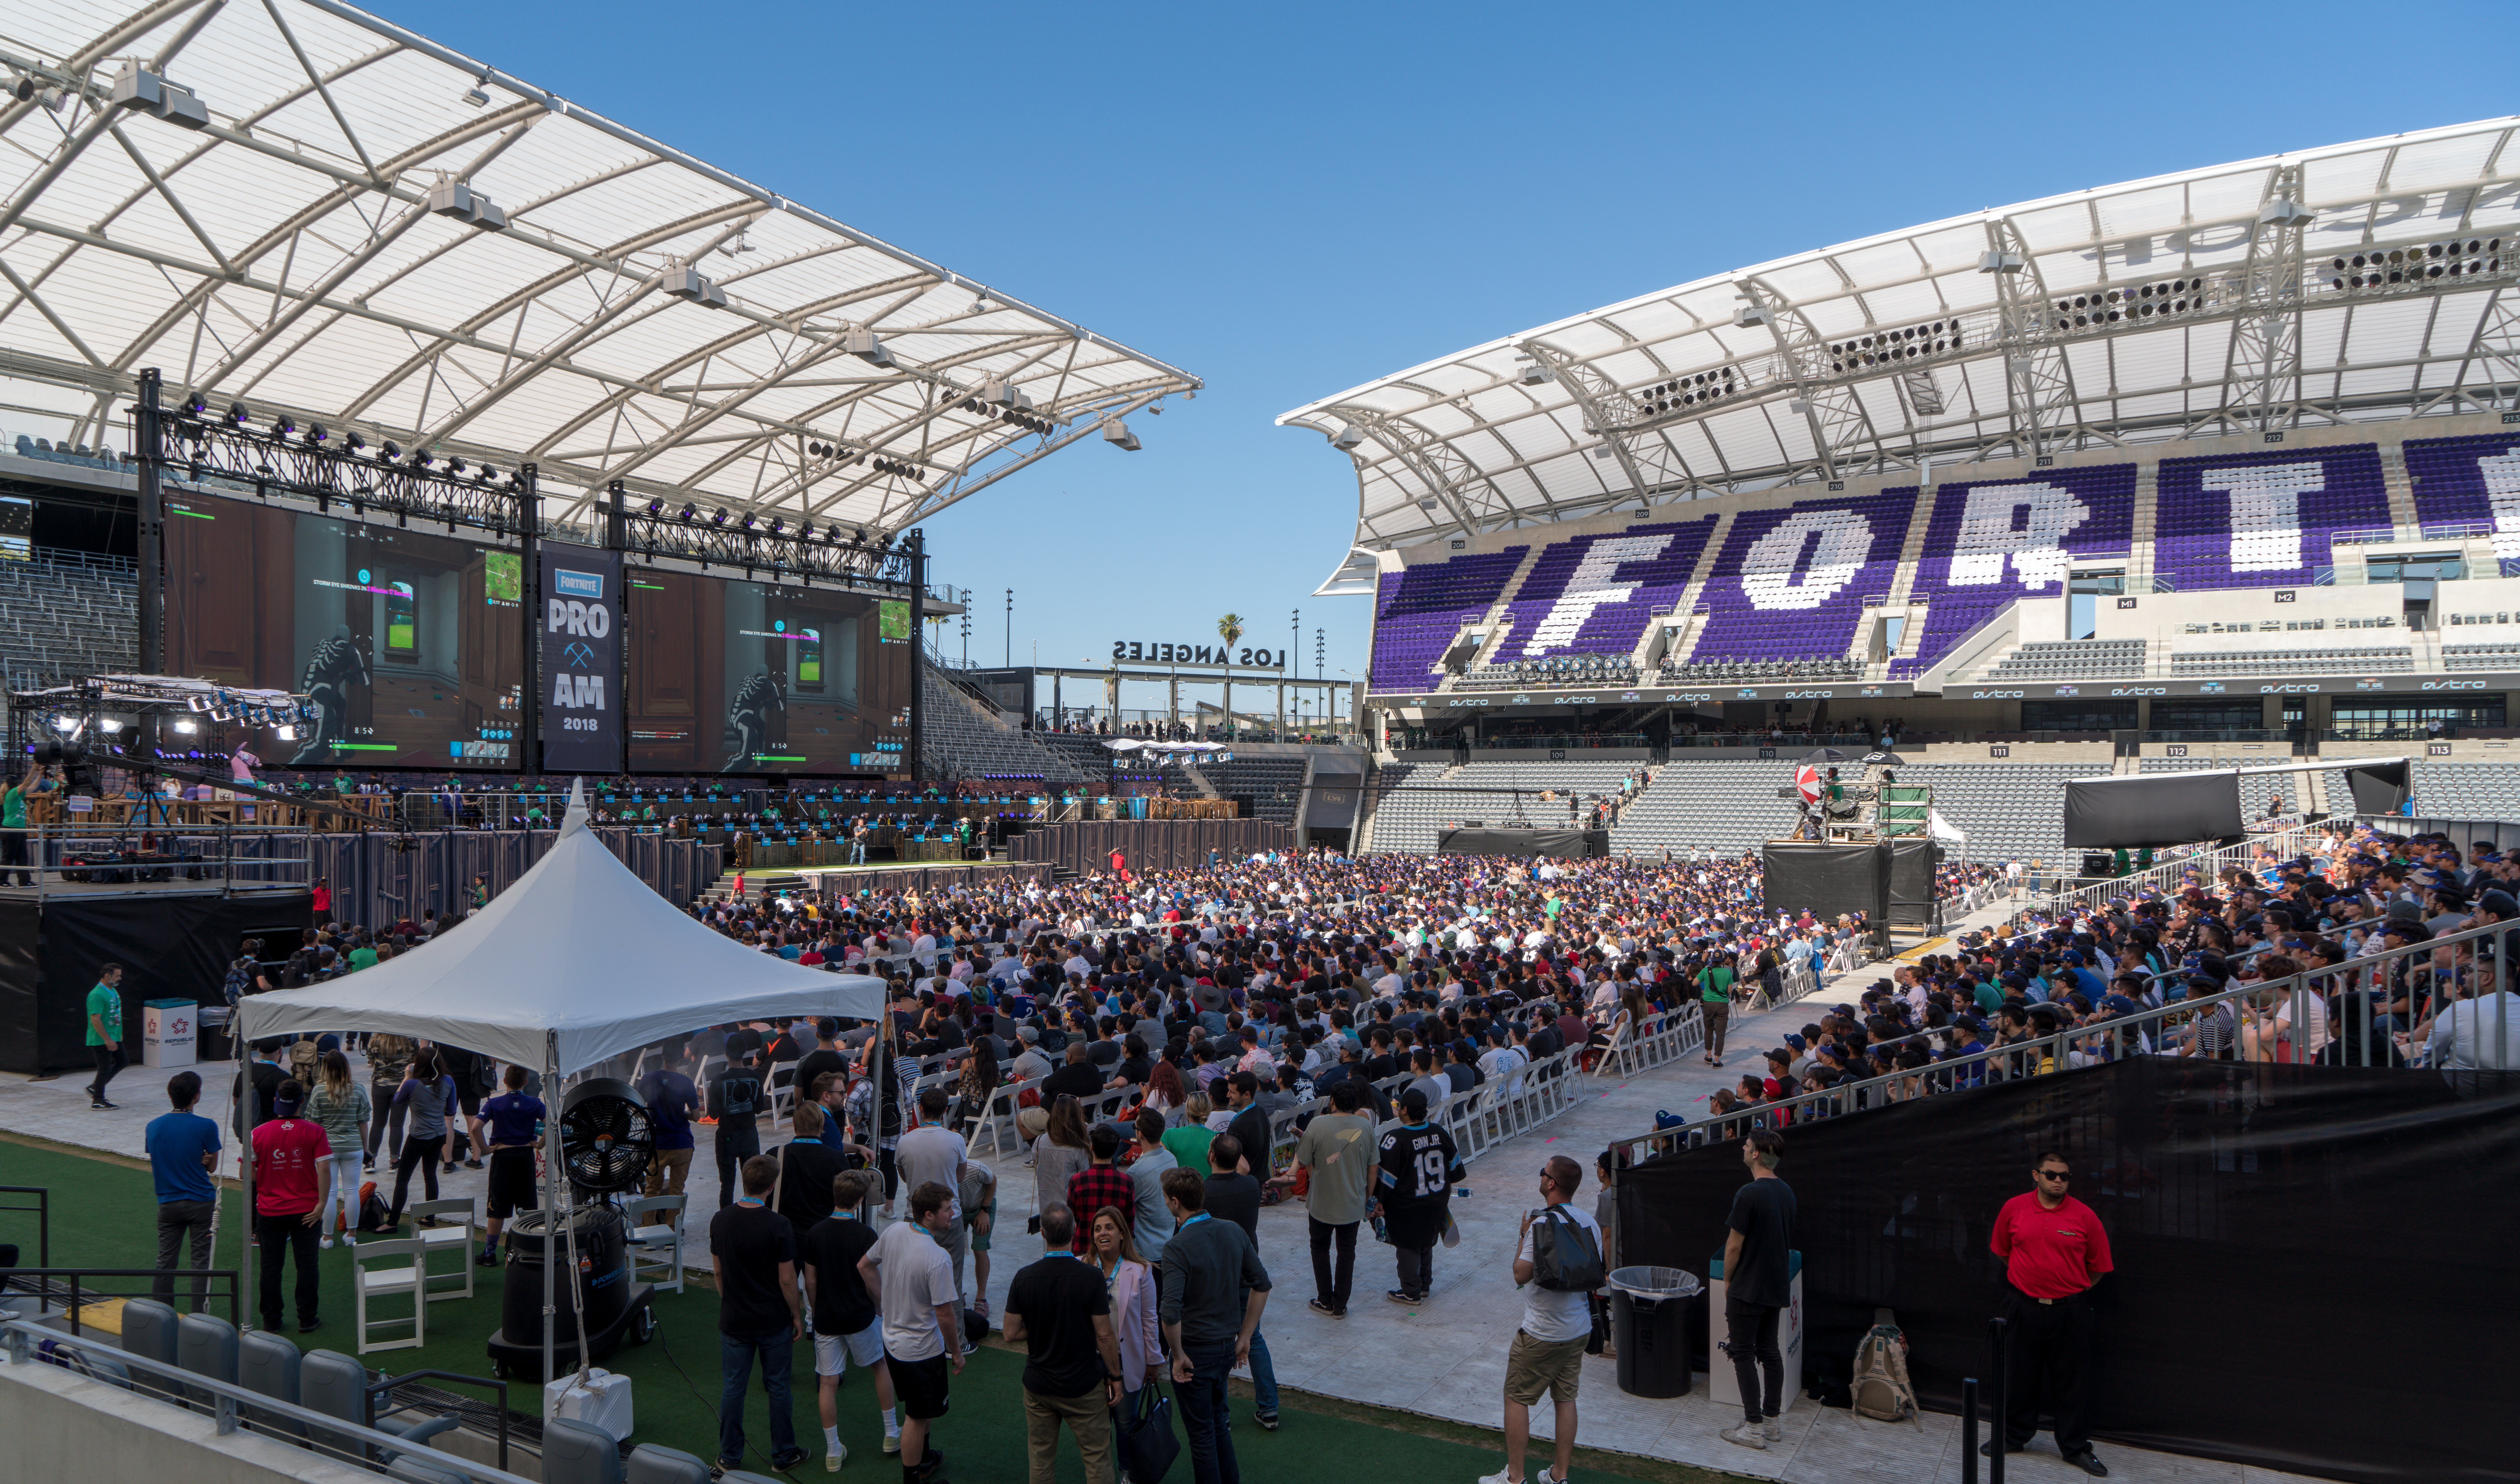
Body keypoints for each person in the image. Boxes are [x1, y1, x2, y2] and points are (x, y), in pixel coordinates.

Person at [1985, 1151, 2113, 1478]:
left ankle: (2074, 1448)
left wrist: (2071, 1287)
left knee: (2072, 1382)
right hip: (2023, 1306)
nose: (2058, 1180)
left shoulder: (2085, 1217)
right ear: (2035, 1175)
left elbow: (2098, 1267)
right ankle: (2013, 1437)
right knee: (2018, 1376)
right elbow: (2001, 1250)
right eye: (2051, 1174)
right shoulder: (2013, 1208)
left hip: (2069, 1310)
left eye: (2064, 1176)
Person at [1482, 1154, 1601, 1484]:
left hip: (1541, 1331)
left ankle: (1514, 1477)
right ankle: (1558, 1474)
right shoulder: (1588, 1222)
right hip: (1578, 1328)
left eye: (1542, 1172)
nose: (1540, 1176)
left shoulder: (1539, 1224)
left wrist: (1522, 1235)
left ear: (1551, 1183)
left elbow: (1520, 1274)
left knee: (1516, 1396)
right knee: (1565, 1397)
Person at [1159, 1167, 1269, 1484]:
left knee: (1202, 1435)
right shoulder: (1233, 1231)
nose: (1166, 1203)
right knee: (1218, 1423)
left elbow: (1170, 1311)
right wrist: (1245, 1335)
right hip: (1225, 1347)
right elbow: (1261, 1284)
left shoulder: (1177, 1247)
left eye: (1166, 1199)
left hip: (1195, 1351)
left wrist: (1178, 1355)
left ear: (1176, 1202)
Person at [1002, 1203, 1123, 1484]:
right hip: (1084, 1386)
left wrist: (1042, 1326)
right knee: (1097, 1459)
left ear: (1042, 1233)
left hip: (1039, 1386)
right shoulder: (1092, 1276)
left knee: (1041, 1460)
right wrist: (1116, 1376)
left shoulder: (1024, 1277)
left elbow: (1009, 1333)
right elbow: (1104, 1335)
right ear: (1075, 1231)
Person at [711, 1153, 811, 1475]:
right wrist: (796, 1314)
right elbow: (787, 1279)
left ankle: (729, 1455)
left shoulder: (720, 1219)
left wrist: (731, 1299)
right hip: (772, 1319)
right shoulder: (779, 1224)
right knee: (779, 1386)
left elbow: (717, 1271)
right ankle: (783, 1454)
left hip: (735, 1319)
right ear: (771, 1186)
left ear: (745, 1181)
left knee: (733, 1387)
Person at [861, 1181, 964, 1484]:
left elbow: (865, 1266)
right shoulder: (938, 1258)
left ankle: (926, 1459)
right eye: (948, 1210)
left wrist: (885, 1299)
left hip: (893, 1344)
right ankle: (913, 1480)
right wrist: (957, 1352)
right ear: (930, 1215)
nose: (953, 1214)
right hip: (921, 1352)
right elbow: (945, 1315)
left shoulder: (893, 1232)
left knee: (923, 1409)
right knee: (917, 1418)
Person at [802, 1168, 897, 1469]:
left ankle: (833, 1451)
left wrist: (816, 1311)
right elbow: (872, 1280)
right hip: (861, 1316)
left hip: (827, 1318)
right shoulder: (866, 1235)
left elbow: (811, 1282)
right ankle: (892, 1433)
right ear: (859, 1201)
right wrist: (878, 1308)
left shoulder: (815, 1233)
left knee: (828, 1382)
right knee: (880, 1367)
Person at [1719, 1129, 1796, 1453]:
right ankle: (1771, 1422)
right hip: (1774, 1285)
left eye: (1746, 1144)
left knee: (1743, 1354)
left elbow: (1734, 1245)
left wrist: (1727, 1280)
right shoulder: (1786, 1192)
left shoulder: (1748, 1193)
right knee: (1769, 1351)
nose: (1742, 1146)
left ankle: (1753, 1427)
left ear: (1755, 1154)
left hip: (1748, 1287)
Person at [1200, 1135, 1279, 1431]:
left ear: (1211, 1157)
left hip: (1215, 1276)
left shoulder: (1203, 1191)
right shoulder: (1250, 1186)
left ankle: (1223, 1414)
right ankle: (1269, 1409)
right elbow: (1243, 1166)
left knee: (1216, 1344)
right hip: (1247, 1270)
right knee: (1254, 1338)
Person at [1281, 1077, 1372, 1316]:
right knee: (1347, 1250)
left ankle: (1325, 1299)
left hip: (1322, 1201)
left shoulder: (1318, 1125)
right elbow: (1373, 1168)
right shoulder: (1366, 1127)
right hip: (1353, 1201)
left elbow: (1305, 1159)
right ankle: (1341, 1304)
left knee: (1320, 1247)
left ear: (1332, 1102)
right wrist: (1368, 1198)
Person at [250, 1077, 332, 1334]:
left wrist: (269, 1175)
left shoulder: (258, 1133)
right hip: (307, 1211)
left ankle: (271, 1320)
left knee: (271, 1267)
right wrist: (321, 1205)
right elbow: (325, 1168)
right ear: (302, 1102)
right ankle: (307, 1319)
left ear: (276, 1101)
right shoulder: (315, 1132)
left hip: (270, 1211)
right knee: (307, 1266)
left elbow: (247, 1174)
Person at [1083, 1206, 1162, 1454]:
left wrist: (1153, 1360)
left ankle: (1128, 1474)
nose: (1102, 1233)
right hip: (1091, 1363)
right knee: (1096, 1426)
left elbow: (1150, 1319)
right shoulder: (1081, 1268)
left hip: (1128, 1360)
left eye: (1109, 1227)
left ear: (1122, 1235)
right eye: (1097, 1229)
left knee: (1126, 1424)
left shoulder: (1141, 1270)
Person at [1372, 1086, 1460, 1305]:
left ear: (1404, 1111)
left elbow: (1385, 1180)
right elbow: (1456, 1170)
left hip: (1407, 1205)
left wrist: (1377, 1200)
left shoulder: (1395, 1138)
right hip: (1437, 1200)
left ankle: (1411, 1291)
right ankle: (1424, 1285)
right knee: (1426, 1241)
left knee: (1407, 1245)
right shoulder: (1441, 1132)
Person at [145, 1070, 222, 1309]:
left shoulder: (153, 1127)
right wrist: (205, 1158)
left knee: (165, 1261)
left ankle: (161, 1314)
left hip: (167, 1202)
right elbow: (212, 1168)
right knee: (200, 1263)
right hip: (200, 1202)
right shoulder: (207, 1126)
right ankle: (199, 1316)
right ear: (196, 1097)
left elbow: (160, 1158)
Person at [475, 1064, 545, 1267]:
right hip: (525, 1156)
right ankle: (529, 1251)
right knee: (528, 1206)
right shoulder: (534, 1103)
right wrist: (539, 1145)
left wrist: (486, 1150)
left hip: (503, 1157)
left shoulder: (494, 1103)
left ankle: (489, 1253)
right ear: (526, 1082)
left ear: (504, 1081)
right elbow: (551, 1124)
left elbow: (475, 1127)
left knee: (497, 1207)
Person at [381, 1048, 457, 1231]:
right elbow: (452, 1110)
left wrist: (407, 1077)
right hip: (439, 1134)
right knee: (431, 1175)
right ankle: (430, 1218)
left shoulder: (412, 1084)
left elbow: (398, 1101)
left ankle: (392, 1222)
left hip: (418, 1136)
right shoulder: (448, 1080)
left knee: (403, 1180)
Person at [301, 1051, 370, 1248]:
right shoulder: (358, 1089)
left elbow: (313, 1125)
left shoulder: (319, 1090)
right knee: (351, 1191)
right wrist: (366, 1148)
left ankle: (327, 1238)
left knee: (329, 1193)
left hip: (326, 1149)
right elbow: (363, 1123)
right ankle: (351, 1235)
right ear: (347, 1067)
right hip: (353, 1146)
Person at [636, 1050, 701, 1197]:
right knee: (677, 1190)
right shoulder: (686, 1082)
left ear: (663, 1056)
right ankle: (672, 1221)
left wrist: (655, 1113)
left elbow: (637, 1109)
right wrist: (679, 1113)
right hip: (682, 1143)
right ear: (681, 1058)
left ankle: (649, 1221)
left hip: (657, 1144)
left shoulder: (649, 1078)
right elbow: (697, 1117)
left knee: (652, 1189)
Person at [1065, 1122, 1135, 1251]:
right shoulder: (1127, 1182)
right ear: (1115, 1150)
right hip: (1114, 1251)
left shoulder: (1077, 1180)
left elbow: (1070, 1221)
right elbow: (1129, 1225)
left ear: (1092, 1147)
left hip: (1083, 1250)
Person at [710, 1051, 766, 1211]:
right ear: (745, 1053)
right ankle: (753, 1215)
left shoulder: (718, 1080)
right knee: (753, 1181)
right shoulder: (755, 1077)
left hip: (727, 1136)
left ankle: (726, 1220)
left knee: (727, 1183)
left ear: (727, 1054)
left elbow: (713, 1114)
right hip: (749, 1134)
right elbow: (760, 1109)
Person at [1124, 1108, 1176, 1271]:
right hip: (1169, 1245)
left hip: (1146, 1252)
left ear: (1140, 1134)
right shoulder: (1171, 1158)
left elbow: (1125, 1210)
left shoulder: (1136, 1173)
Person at [85, 961, 126, 1109]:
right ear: (107, 976)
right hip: (101, 1038)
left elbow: (115, 1014)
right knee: (105, 1068)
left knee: (123, 1061)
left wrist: (118, 1034)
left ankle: (95, 1088)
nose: (120, 979)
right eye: (117, 976)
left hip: (113, 1036)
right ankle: (98, 1100)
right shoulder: (97, 994)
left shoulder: (113, 991)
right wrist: (108, 1039)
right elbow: (95, 1019)